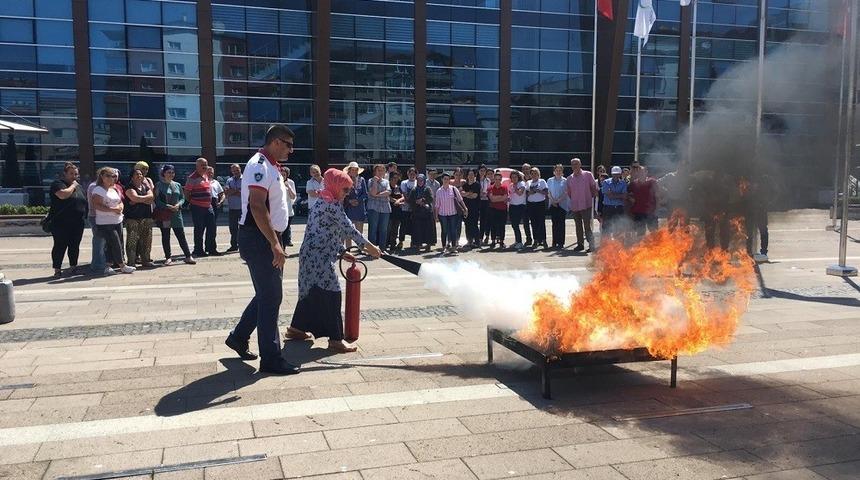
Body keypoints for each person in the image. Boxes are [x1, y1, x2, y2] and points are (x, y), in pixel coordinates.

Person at [225, 124, 298, 375]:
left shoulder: (271, 166)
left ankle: (238, 337)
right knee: (271, 296)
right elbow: (257, 207)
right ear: (276, 142)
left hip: (266, 236)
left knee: (266, 293)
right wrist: (274, 244)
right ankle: (271, 358)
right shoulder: (259, 165)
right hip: (259, 238)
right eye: (288, 144)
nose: (291, 149)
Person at [286, 168, 382, 352]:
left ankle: (296, 329)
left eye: (349, 190)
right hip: (318, 258)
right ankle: (335, 339)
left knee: (311, 291)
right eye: (345, 189)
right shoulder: (331, 205)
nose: (347, 194)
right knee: (332, 293)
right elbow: (350, 230)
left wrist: (340, 250)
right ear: (334, 186)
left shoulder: (323, 200)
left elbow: (324, 231)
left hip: (310, 256)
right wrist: (372, 249)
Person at [91, 167, 134, 274]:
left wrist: (120, 207)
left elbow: (120, 201)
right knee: (116, 243)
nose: (112, 178)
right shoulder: (98, 190)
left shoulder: (114, 189)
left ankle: (108, 266)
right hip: (105, 222)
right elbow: (96, 205)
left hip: (117, 220)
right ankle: (122, 265)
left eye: (113, 176)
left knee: (111, 244)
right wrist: (113, 209)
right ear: (102, 177)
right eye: (108, 176)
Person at [49, 162, 87, 277]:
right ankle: (57, 269)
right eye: (71, 174)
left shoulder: (79, 187)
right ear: (64, 174)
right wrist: (73, 186)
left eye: (76, 174)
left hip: (77, 222)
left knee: (74, 246)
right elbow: (63, 195)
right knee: (60, 246)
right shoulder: (58, 184)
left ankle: (73, 267)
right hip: (61, 223)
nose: (74, 176)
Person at [155, 164, 195, 265]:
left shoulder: (177, 184)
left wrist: (178, 204)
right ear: (164, 173)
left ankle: (188, 256)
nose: (171, 174)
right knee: (166, 236)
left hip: (176, 214)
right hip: (165, 214)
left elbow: (182, 198)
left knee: (181, 235)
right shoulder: (159, 185)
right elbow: (157, 200)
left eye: (172, 172)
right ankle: (168, 257)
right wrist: (167, 206)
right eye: (169, 172)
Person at [185, 158, 219, 257]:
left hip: (209, 206)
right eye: (202, 165)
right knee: (199, 229)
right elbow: (187, 192)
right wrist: (192, 202)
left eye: (206, 164)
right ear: (197, 166)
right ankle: (198, 250)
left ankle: (211, 249)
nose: (205, 166)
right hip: (197, 207)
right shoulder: (192, 178)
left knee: (212, 228)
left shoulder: (206, 175)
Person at [124, 169, 155, 268]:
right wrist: (143, 199)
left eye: (141, 174)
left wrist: (138, 200)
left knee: (146, 240)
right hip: (133, 218)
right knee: (132, 241)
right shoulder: (129, 187)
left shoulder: (145, 186)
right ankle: (131, 262)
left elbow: (151, 198)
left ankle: (145, 260)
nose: (139, 176)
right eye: (136, 174)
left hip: (146, 217)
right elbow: (134, 198)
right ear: (132, 177)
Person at [566, 158, 599, 252]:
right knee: (578, 226)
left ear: (580, 164)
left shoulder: (588, 175)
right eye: (573, 164)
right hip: (575, 206)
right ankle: (580, 244)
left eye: (576, 164)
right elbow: (569, 193)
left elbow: (593, 188)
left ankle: (592, 245)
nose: (574, 166)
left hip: (586, 205)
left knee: (587, 226)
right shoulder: (569, 178)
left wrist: (589, 198)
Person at [435, 172, 467, 254]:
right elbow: (437, 205)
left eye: (447, 179)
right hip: (443, 215)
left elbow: (460, 200)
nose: (446, 180)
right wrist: (436, 216)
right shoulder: (439, 191)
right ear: (442, 179)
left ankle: (453, 247)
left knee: (453, 230)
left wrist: (465, 208)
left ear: (449, 180)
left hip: (453, 213)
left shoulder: (453, 189)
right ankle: (444, 247)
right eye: (444, 179)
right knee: (444, 231)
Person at [343, 161, 367, 249]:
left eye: (355, 170)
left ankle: (361, 249)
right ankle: (348, 249)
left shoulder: (362, 180)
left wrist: (358, 200)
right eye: (352, 170)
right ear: (349, 170)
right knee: (348, 230)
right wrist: (349, 201)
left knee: (359, 232)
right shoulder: (345, 180)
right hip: (349, 208)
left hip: (360, 207)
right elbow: (343, 194)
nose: (354, 171)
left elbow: (365, 194)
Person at [367, 164, 391, 251]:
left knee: (383, 229)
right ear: (375, 171)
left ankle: (382, 249)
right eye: (378, 170)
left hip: (385, 208)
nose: (380, 172)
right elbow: (373, 192)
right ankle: (372, 249)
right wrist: (375, 182)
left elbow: (388, 192)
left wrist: (377, 195)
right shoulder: (370, 180)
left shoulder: (386, 181)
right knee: (373, 228)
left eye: (382, 170)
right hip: (373, 207)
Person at [629, 164, 658, 236]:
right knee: (640, 232)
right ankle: (640, 247)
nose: (641, 173)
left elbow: (658, 195)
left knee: (654, 232)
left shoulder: (652, 182)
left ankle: (654, 246)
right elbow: (628, 194)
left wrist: (657, 208)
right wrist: (631, 199)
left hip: (651, 211)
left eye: (643, 172)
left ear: (646, 172)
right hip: (639, 212)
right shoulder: (634, 183)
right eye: (639, 172)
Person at [408, 174, 435, 251]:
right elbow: (410, 200)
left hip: (426, 213)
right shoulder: (414, 189)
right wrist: (416, 202)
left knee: (428, 229)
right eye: (419, 180)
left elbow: (431, 199)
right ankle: (418, 245)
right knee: (417, 230)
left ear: (424, 181)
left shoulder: (427, 189)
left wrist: (423, 201)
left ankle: (428, 245)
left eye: (421, 180)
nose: (420, 182)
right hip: (417, 213)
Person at [87, 177, 107, 275]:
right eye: (108, 176)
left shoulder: (106, 187)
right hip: (96, 217)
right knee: (99, 242)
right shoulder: (94, 186)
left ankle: (100, 263)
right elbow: (95, 204)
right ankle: (98, 265)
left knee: (103, 242)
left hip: (105, 218)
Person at [601, 166, 628, 239]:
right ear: (612, 174)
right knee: (606, 228)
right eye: (614, 174)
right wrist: (620, 195)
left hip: (619, 208)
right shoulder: (606, 182)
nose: (616, 176)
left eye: (617, 174)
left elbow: (624, 196)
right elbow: (610, 196)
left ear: (620, 174)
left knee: (619, 228)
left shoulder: (623, 183)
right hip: (608, 208)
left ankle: (619, 247)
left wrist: (613, 194)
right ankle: (605, 246)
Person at [526, 167, 549, 249]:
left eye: (535, 173)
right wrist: (530, 192)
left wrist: (538, 191)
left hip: (540, 204)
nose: (534, 175)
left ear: (538, 174)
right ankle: (535, 240)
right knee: (533, 223)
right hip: (531, 204)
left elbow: (546, 192)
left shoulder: (542, 181)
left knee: (541, 223)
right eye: (532, 173)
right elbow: (526, 193)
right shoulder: (528, 182)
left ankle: (543, 240)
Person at [547, 164, 568, 249]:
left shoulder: (565, 181)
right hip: (553, 204)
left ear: (562, 172)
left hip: (562, 204)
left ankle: (561, 243)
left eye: (560, 170)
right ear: (554, 172)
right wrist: (553, 201)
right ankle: (554, 242)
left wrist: (558, 200)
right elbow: (548, 192)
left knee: (561, 224)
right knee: (554, 224)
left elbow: (566, 192)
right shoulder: (550, 180)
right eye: (557, 170)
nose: (558, 172)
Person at [488, 171, 508, 249]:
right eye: (496, 179)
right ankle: (493, 241)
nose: (497, 181)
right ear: (494, 179)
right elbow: (492, 199)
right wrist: (501, 197)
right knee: (493, 226)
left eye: (499, 179)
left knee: (502, 226)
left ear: (501, 179)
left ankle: (502, 241)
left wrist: (497, 197)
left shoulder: (505, 187)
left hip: (503, 209)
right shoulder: (490, 187)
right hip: (493, 209)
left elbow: (505, 197)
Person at [398, 168, 418, 249]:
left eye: (414, 174)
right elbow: (404, 193)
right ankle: (400, 241)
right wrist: (409, 202)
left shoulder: (418, 182)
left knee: (414, 225)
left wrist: (413, 204)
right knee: (403, 225)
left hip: (415, 208)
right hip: (405, 208)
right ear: (407, 174)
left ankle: (413, 242)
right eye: (410, 174)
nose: (412, 175)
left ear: (416, 174)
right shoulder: (404, 182)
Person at [225, 163, 242, 252]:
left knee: (243, 228)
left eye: (237, 170)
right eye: (234, 170)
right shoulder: (229, 180)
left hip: (242, 208)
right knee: (233, 228)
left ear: (240, 169)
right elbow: (226, 193)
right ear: (231, 171)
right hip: (232, 209)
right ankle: (234, 245)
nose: (235, 172)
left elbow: (244, 193)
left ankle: (243, 245)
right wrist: (237, 191)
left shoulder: (245, 179)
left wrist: (233, 191)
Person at [507, 170, 527, 249]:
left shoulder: (521, 183)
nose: (514, 178)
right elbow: (510, 195)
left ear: (518, 177)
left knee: (517, 224)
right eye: (512, 177)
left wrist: (515, 188)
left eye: (515, 177)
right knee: (514, 225)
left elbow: (520, 193)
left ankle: (520, 242)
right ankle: (517, 240)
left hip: (520, 206)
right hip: (512, 206)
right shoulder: (511, 185)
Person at [462, 169, 481, 248]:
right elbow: (461, 194)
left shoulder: (477, 184)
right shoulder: (465, 185)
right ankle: (469, 241)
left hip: (475, 208)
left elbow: (475, 196)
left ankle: (477, 241)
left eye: (472, 174)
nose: (470, 176)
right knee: (467, 224)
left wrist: (466, 194)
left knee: (474, 225)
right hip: (466, 208)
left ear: (474, 175)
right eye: (469, 174)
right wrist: (469, 193)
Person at [387, 171, 406, 250]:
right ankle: (386, 244)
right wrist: (396, 201)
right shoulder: (387, 186)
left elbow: (403, 196)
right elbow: (387, 197)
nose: (395, 179)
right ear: (390, 178)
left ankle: (393, 244)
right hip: (389, 210)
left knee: (395, 228)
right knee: (389, 228)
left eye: (397, 178)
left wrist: (399, 201)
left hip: (398, 211)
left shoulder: (398, 187)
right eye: (394, 178)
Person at [282, 166, 297, 247]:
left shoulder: (291, 182)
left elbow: (293, 196)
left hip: (288, 210)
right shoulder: (276, 182)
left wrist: (288, 187)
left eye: (284, 174)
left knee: (286, 230)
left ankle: (284, 249)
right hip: (279, 211)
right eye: (281, 174)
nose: (282, 176)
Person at [520, 163, 533, 246]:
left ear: (530, 169)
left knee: (535, 222)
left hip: (533, 203)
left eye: (527, 169)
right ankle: (528, 239)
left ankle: (538, 239)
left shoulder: (535, 179)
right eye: (524, 169)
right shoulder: (520, 180)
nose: (525, 170)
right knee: (525, 223)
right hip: (523, 204)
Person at [478, 164, 491, 245]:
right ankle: (479, 238)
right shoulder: (476, 180)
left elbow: (489, 190)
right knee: (479, 220)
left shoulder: (488, 180)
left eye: (484, 171)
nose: (483, 172)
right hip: (478, 201)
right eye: (481, 171)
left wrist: (487, 193)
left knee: (486, 220)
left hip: (486, 201)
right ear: (479, 171)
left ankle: (486, 236)